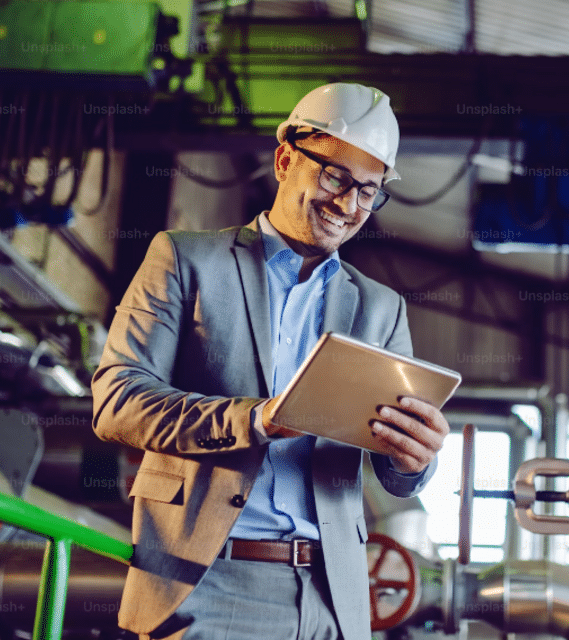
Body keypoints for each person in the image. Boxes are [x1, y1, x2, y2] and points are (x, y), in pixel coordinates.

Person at [91, 82, 450, 640]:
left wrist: (413, 460)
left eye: (369, 192)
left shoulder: (381, 308)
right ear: (285, 159)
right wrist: (257, 420)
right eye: (335, 176)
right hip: (209, 582)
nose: (348, 205)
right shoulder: (186, 260)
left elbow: (393, 469)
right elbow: (117, 403)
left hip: (334, 596)